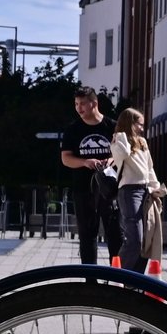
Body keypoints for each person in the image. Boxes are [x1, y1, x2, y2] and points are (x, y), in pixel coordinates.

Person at [59, 86, 122, 266]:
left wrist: (110, 160)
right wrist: (85, 162)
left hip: (110, 189)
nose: (79, 108)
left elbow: (125, 153)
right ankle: (90, 279)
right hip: (83, 189)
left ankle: (117, 276)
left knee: (115, 234)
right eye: (76, 104)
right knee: (87, 235)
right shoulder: (73, 129)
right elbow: (66, 158)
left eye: (83, 104)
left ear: (94, 103)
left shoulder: (112, 126)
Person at [110, 108, 163, 273]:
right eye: (139, 124)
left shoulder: (143, 142)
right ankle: (116, 276)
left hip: (145, 191)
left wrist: (155, 188)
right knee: (135, 239)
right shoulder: (118, 140)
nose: (142, 127)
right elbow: (123, 154)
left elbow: (149, 168)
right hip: (129, 192)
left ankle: (135, 280)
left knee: (146, 239)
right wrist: (122, 135)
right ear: (130, 123)